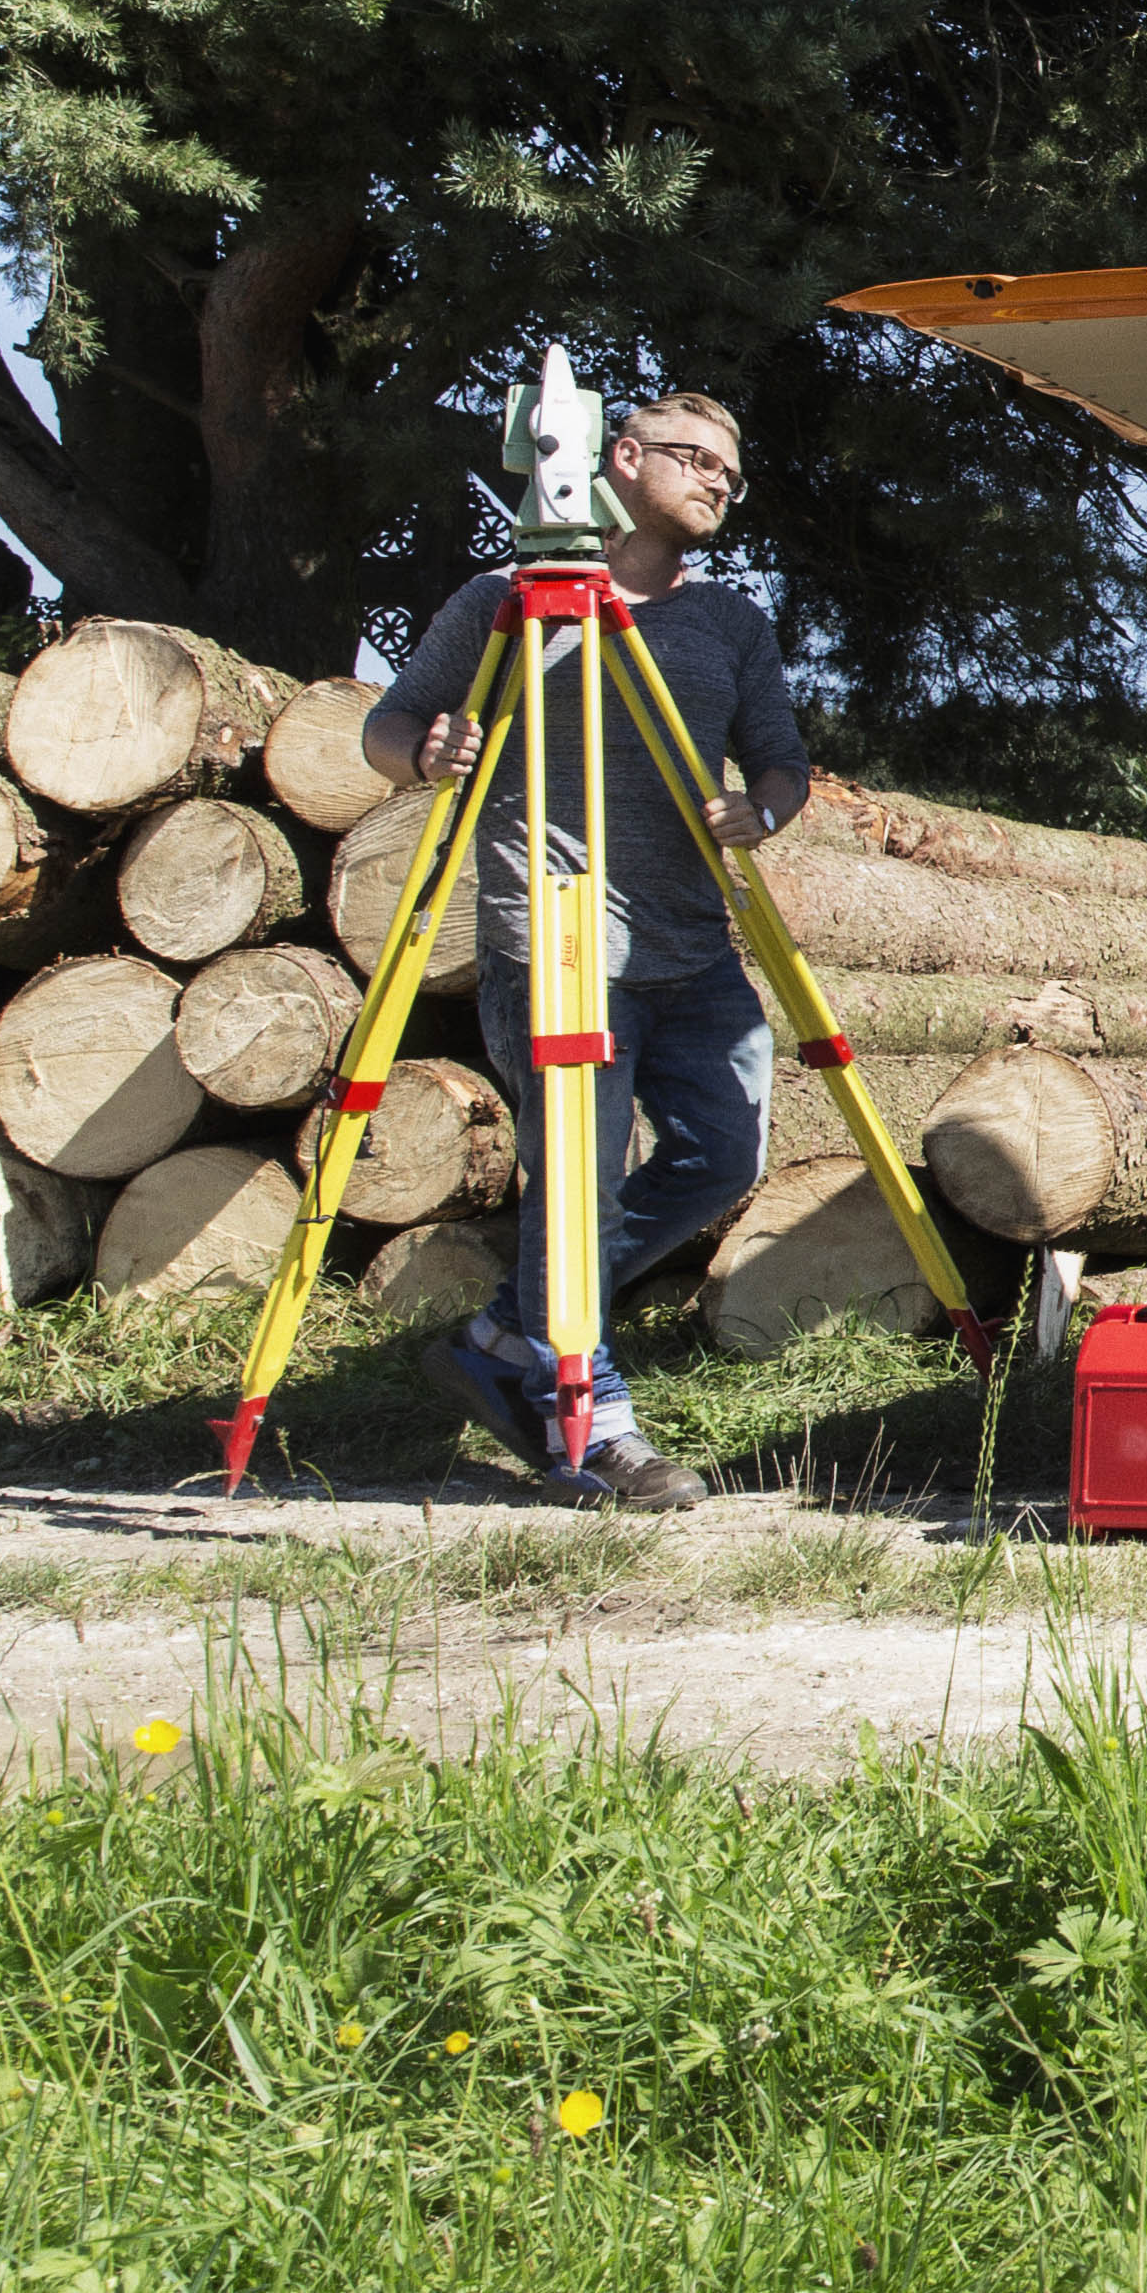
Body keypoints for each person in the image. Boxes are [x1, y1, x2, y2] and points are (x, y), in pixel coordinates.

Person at [356, 388, 812, 1511]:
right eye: (696, 459)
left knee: (724, 1156)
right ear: (622, 456)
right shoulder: (503, 603)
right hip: (553, 938)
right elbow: (386, 726)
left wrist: (763, 808)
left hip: (691, 943)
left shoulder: (729, 623)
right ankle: (593, 1426)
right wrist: (426, 753)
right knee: (578, 1187)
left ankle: (515, 1330)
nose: (718, 482)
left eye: (731, 473)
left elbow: (781, 761)